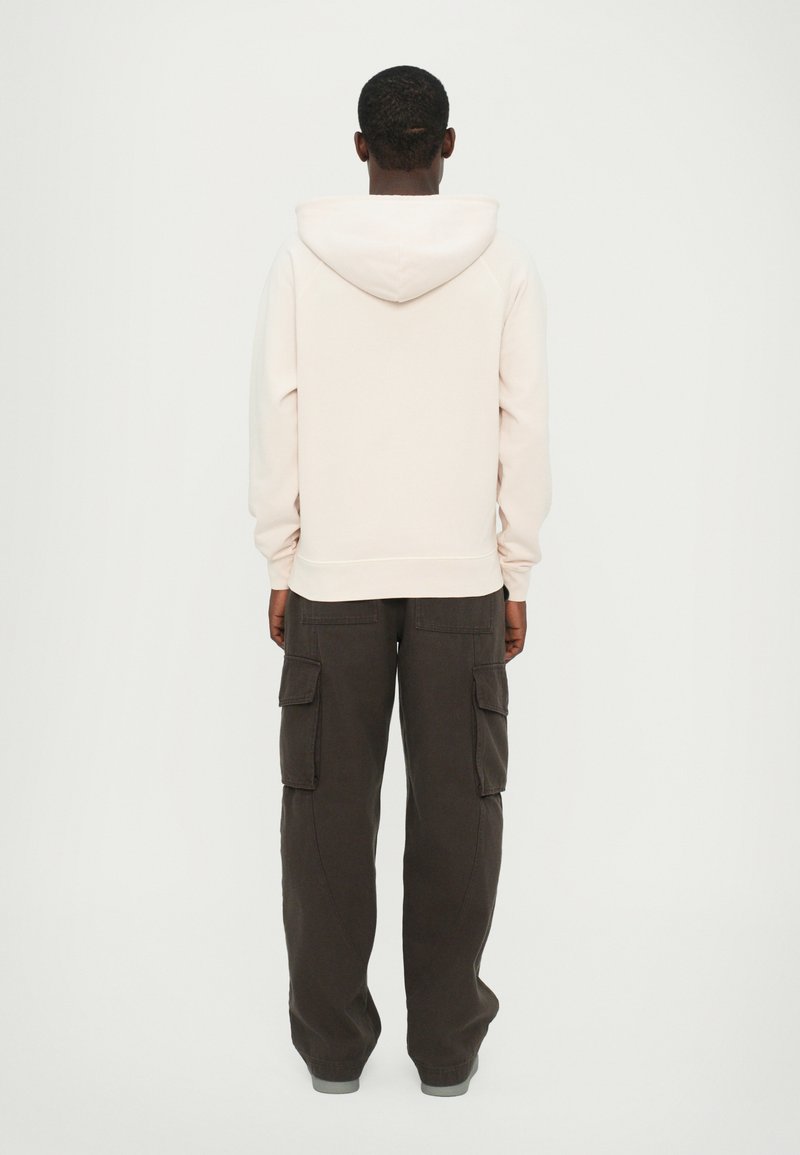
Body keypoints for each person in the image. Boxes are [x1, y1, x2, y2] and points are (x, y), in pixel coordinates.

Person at [248, 64, 551, 1097]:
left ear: (361, 147)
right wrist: (514, 566)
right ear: (448, 145)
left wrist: (281, 555)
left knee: (323, 816)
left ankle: (333, 1057)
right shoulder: (500, 263)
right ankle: (447, 1056)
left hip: (331, 576)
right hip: (462, 578)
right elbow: (523, 421)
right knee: (461, 812)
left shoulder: (302, 260)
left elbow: (276, 413)